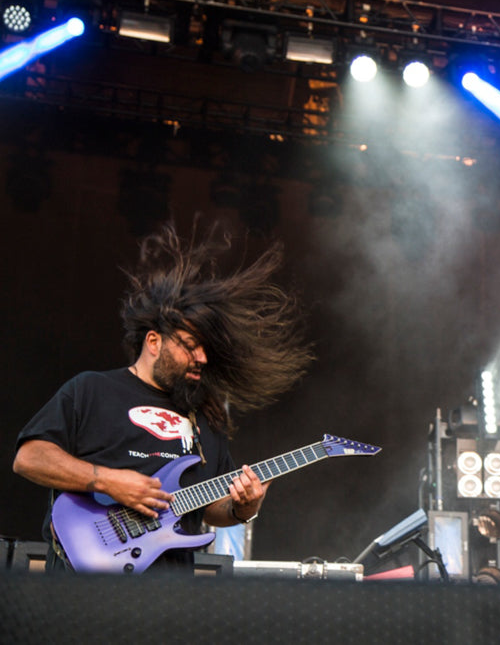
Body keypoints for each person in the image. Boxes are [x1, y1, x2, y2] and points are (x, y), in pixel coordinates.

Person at [13, 223, 313, 572]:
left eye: (206, 350)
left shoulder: (205, 418)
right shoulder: (91, 390)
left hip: (167, 597)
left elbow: (210, 508)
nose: (201, 357)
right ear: (153, 342)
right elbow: (29, 458)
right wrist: (108, 480)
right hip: (82, 587)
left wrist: (244, 507)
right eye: (189, 346)